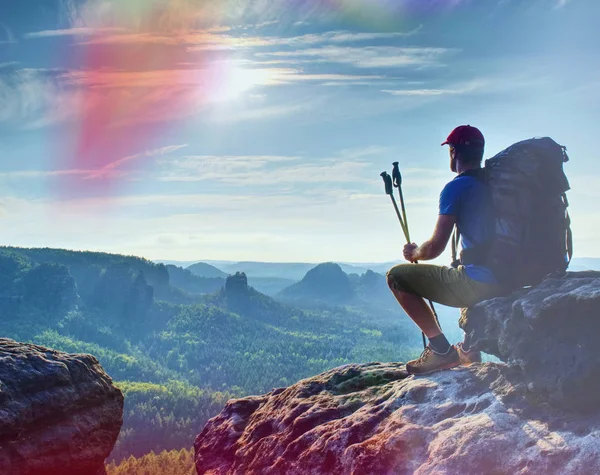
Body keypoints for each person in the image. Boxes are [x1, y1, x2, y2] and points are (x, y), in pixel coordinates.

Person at [386, 125, 505, 375]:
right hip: (513, 276)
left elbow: (435, 248)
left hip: (483, 283)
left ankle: (441, 351)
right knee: (461, 268)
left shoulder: (457, 187)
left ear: (453, 152)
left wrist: (415, 253)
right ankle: (470, 348)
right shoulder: (499, 184)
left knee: (397, 277)